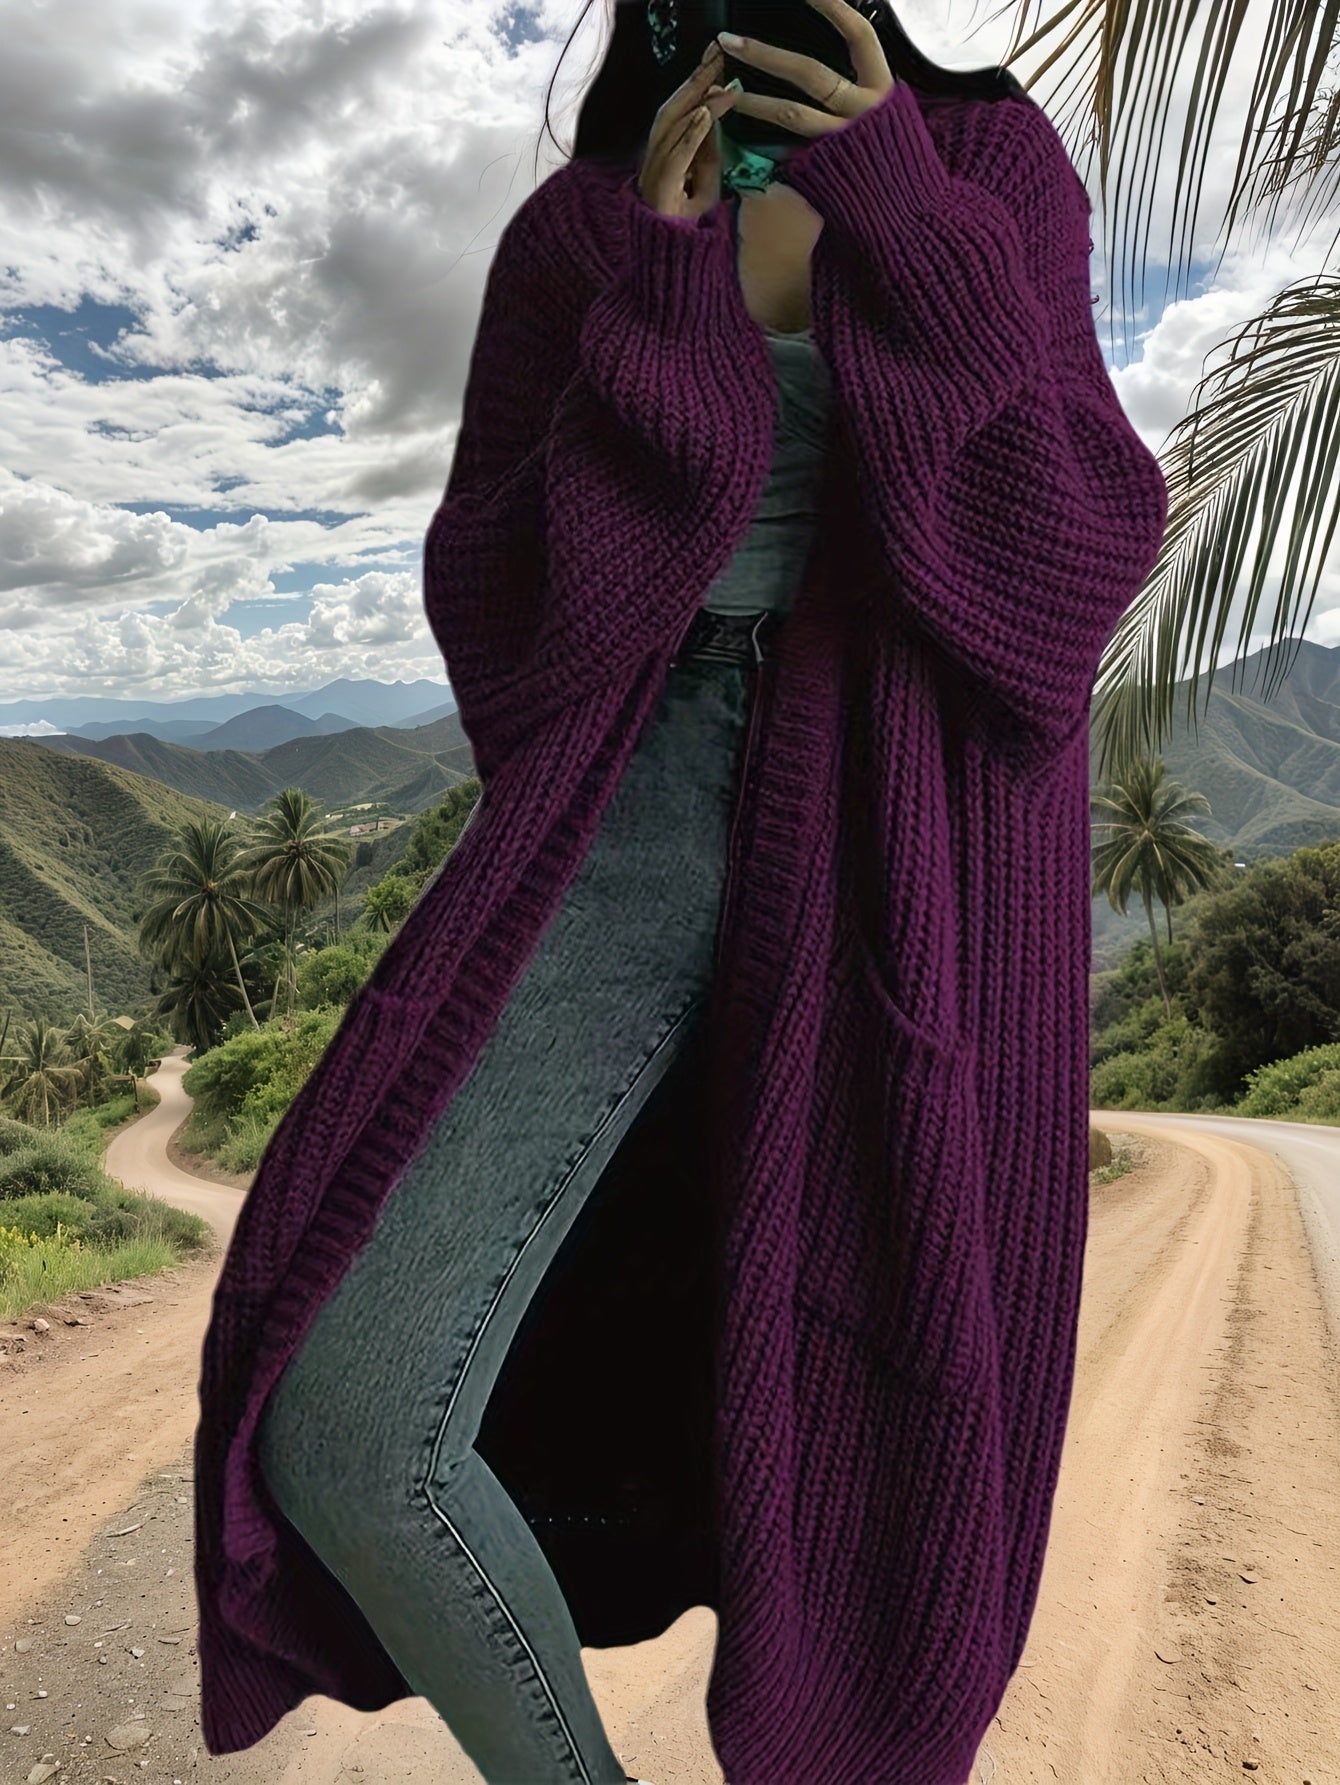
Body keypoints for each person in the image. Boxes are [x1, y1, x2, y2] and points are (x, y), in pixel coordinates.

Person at [197, 2, 1171, 1781]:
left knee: (887, 1482)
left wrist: (903, 217)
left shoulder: (985, 165)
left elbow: (1071, 571)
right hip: (625, 816)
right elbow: (511, 633)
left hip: (918, 853)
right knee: (342, 1413)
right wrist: (655, 296)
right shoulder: (578, 229)